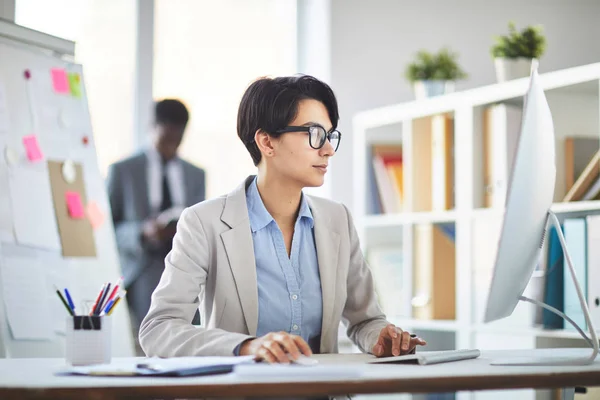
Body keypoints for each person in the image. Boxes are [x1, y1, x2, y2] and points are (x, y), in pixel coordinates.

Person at [139, 76, 426, 362]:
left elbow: (365, 321)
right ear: (266, 142)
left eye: (330, 135)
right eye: (314, 134)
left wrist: (381, 337)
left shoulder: (337, 220)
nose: (328, 149)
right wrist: (245, 347)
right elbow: (159, 329)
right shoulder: (204, 223)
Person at [107, 99, 205, 335]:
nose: (172, 145)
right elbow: (107, 230)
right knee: (152, 333)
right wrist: (143, 232)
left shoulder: (196, 174)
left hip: (184, 262)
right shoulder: (124, 170)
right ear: (153, 127)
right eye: (166, 137)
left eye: (177, 138)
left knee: (191, 332)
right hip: (141, 266)